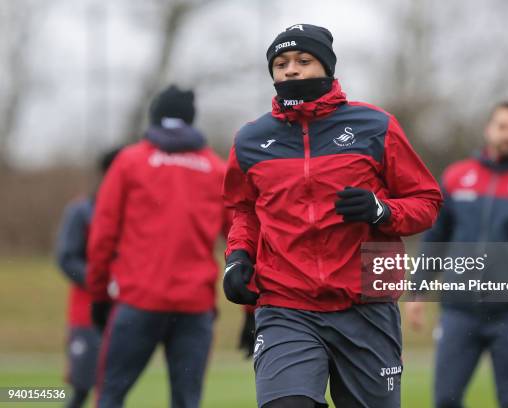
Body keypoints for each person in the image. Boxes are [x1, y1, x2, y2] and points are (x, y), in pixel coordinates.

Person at [223, 24, 442, 408]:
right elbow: (244, 209)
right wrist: (238, 256)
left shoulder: (376, 126)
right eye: (280, 63)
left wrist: (382, 210)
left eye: (303, 61)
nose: (290, 70)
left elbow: (427, 201)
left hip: (366, 303)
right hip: (286, 304)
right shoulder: (251, 140)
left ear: (326, 67)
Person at [405, 101, 508, 408]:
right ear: (488, 129)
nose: (507, 134)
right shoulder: (456, 177)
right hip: (458, 310)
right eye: (502, 126)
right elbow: (436, 237)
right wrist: (417, 290)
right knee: (445, 399)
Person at [86, 85, 230, 408]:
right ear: (192, 120)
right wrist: (251, 311)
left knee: (109, 396)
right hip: (195, 309)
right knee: (186, 401)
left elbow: (102, 236)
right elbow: (241, 240)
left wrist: (97, 295)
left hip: (138, 302)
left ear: (154, 117)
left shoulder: (130, 162)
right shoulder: (217, 169)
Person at [55, 147, 120, 408]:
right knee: (82, 388)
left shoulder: (133, 213)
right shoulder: (81, 211)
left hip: (124, 313)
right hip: (86, 313)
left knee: (112, 387)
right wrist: (101, 281)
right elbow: (66, 258)